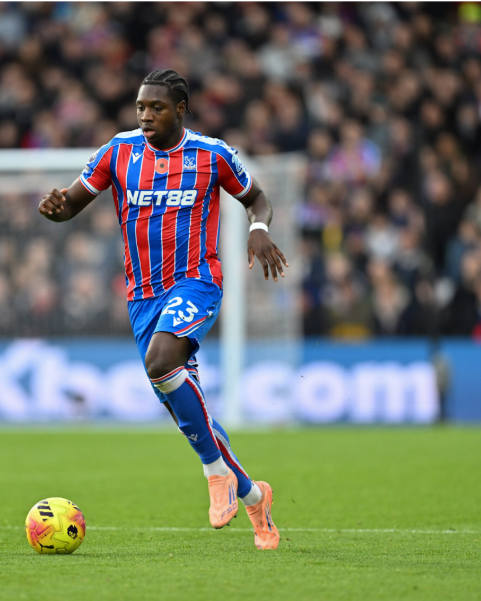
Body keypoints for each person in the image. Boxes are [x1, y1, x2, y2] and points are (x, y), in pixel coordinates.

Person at [38, 69, 287, 550]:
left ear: (181, 109)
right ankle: (255, 498)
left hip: (197, 280)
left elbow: (256, 198)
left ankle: (214, 473)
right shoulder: (118, 151)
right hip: (143, 297)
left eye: (156, 107)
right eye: (140, 108)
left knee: (161, 362)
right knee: (188, 412)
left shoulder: (212, 154)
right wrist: (55, 208)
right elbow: (71, 202)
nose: (146, 115)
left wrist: (258, 229)